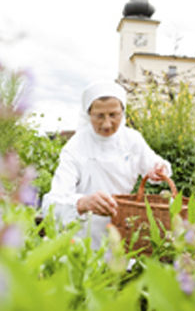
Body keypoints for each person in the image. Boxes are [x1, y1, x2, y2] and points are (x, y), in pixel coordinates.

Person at [42, 80, 171, 249]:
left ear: (123, 113)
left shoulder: (132, 140)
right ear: (88, 115)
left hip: (124, 233)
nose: (107, 124)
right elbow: (51, 204)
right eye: (99, 116)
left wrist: (158, 170)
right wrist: (82, 203)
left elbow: (156, 166)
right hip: (84, 242)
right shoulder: (75, 147)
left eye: (113, 115)